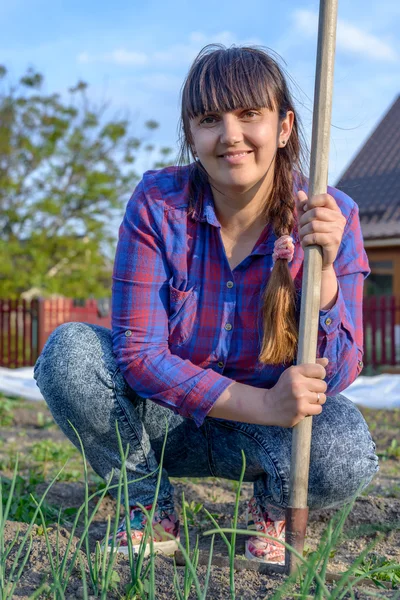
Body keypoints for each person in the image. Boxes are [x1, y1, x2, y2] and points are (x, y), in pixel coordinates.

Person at [33, 44, 379, 565]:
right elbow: (138, 354)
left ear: (284, 127)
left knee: (345, 447)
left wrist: (325, 272)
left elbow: (341, 370)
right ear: (191, 134)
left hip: (269, 435)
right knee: (70, 353)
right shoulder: (157, 204)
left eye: (249, 115)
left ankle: (274, 509)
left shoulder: (331, 214)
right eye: (210, 119)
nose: (231, 135)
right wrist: (262, 402)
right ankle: (148, 504)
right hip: (163, 420)